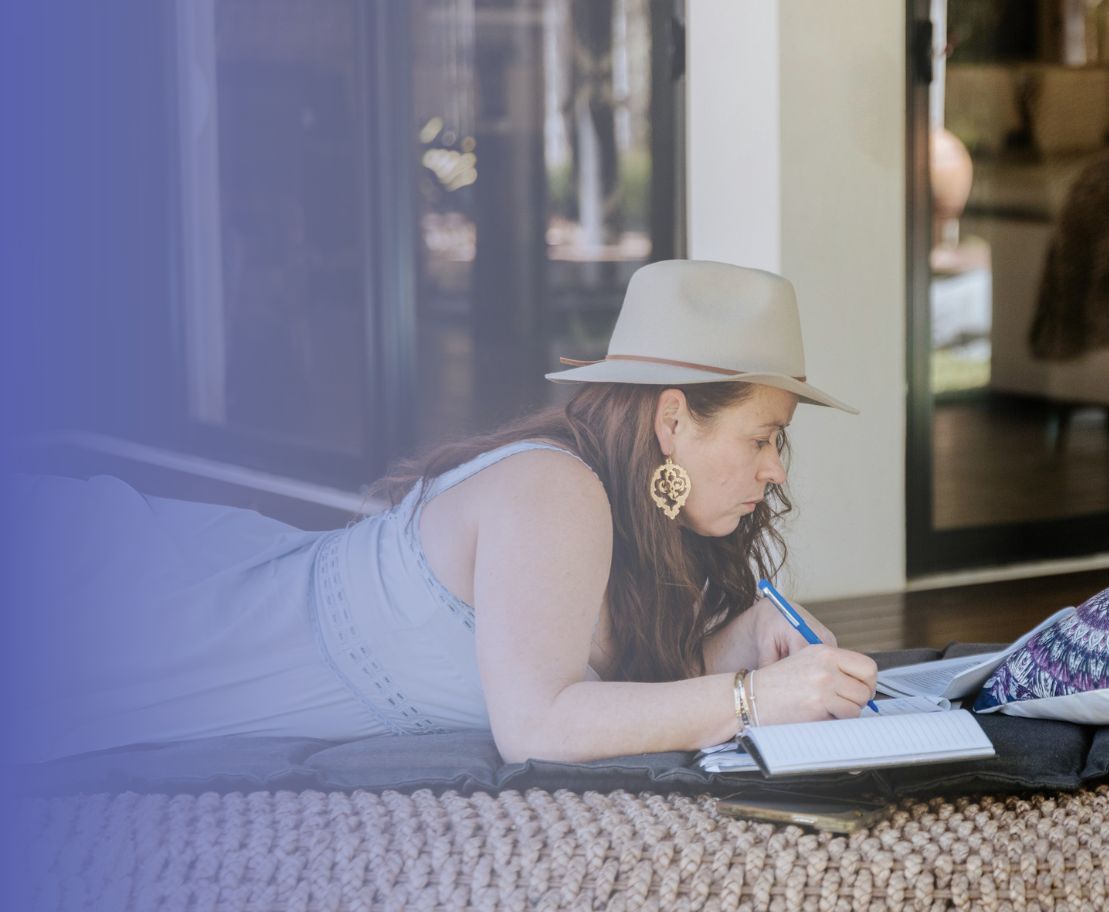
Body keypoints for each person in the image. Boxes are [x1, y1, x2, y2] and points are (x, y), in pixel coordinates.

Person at [6, 259, 878, 765]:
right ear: (674, 420)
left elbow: (603, 682)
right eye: (762, 438)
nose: (774, 469)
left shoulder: (633, 518)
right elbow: (537, 726)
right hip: (154, 618)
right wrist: (752, 698)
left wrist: (733, 643)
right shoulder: (556, 492)